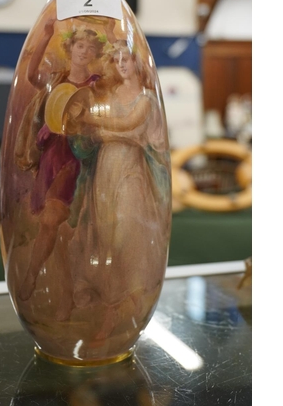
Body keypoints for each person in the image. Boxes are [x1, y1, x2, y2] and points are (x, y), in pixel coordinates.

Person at [64, 40, 171, 339]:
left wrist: (94, 124)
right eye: (118, 60)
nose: (122, 64)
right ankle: (110, 308)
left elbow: (130, 124)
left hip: (130, 170)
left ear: (137, 63)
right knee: (105, 235)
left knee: (126, 232)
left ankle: (130, 301)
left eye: (127, 59)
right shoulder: (110, 94)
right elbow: (106, 128)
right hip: (106, 170)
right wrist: (93, 128)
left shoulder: (147, 98)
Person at [16, 18, 106, 307]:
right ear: (71, 48)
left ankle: (31, 275)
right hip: (51, 153)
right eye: (80, 45)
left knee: (51, 219)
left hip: (76, 157)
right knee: (54, 231)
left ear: (94, 55)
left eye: (90, 48)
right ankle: (64, 297)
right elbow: (31, 76)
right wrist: (45, 35)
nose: (84, 52)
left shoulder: (97, 85)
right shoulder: (56, 79)